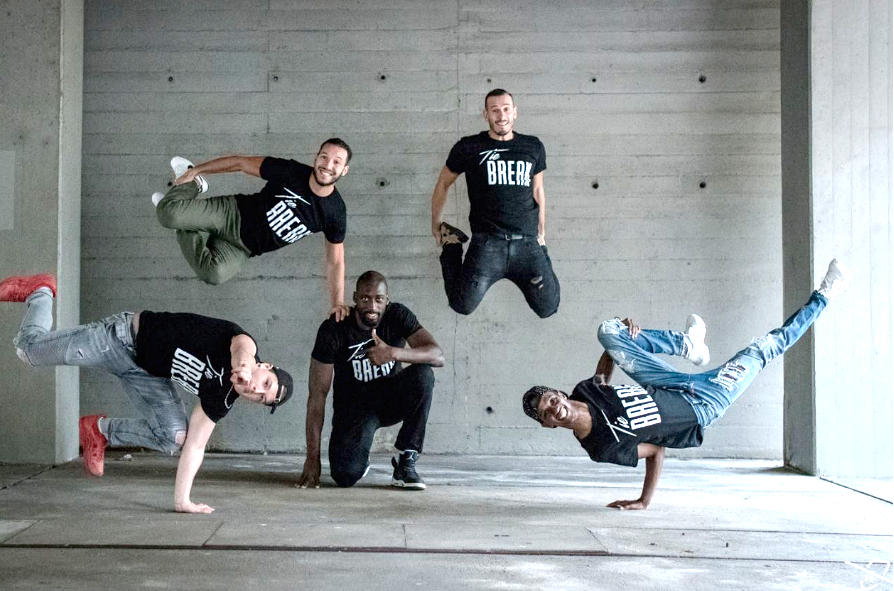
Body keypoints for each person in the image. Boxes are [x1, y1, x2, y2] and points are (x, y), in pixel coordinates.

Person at [521, 259, 851, 510]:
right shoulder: (600, 446)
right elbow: (655, 451)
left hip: (669, 383)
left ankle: (687, 344)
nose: (553, 408)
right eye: (546, 413)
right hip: (705, 402)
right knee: (765, 348)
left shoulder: (585, 390)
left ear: (559, 394)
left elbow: (607, 363)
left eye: (550, 400)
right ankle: (824, 296)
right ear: (549, 425)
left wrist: (622, 330)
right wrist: (643, 501)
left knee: (607, 332)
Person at [0, 273, 295, 514]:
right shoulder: (242, 344)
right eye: (265, 383)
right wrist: (243, 367)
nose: (256, 390)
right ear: (265, 366)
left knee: (175, 437)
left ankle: (100, 431)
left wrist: (183, 501)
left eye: (261, 399)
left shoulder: (223, 398)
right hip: (119, 340)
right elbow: (242, 350)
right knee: (28, 350)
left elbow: (195, 446)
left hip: (145, 373)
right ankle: (39, 290)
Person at [153, 138, 352, 320]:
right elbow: (240, 162)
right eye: (324, 157)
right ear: (316, 158)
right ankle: (194, 185)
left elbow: (335, 261)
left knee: (213, 274)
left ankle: (183, 222)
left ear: (344, 170)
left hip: (243, 248)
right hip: (231, 214)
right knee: (167, 215)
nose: (328, 165)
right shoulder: (290, 172)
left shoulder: (334, 212)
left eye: (336, 162)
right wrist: (197, 170)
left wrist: (337, 303)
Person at [297, 271, 444, 490]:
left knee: (423, 374)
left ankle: (405, 461)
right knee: (344, 476)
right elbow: (317, 395)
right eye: (365, 299)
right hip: (354, 408)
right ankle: (359, 455)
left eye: (378, 299)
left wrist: (393, 353)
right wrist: (311, 458)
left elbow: (437, 355)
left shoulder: (398, 315)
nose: (372, 306)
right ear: (355, 298)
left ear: (387, 300)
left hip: (391, 399)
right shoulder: (334, 328)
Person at [430, 89, 560, 318]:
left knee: (548, 307)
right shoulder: (469, 147)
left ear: (515, 112)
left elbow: (538, 189)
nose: (502, 116)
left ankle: (542, 252)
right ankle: (452, 246)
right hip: (487, 244)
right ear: (486, 115)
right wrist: (436, 223)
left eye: (506, 109)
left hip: (527, 244)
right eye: (495, 110)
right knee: (462, 305)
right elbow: (442, 184)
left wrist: (541, 232)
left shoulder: (533, 146)